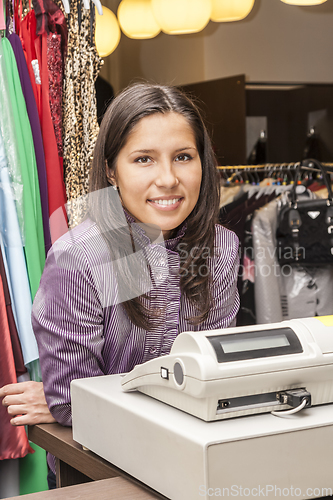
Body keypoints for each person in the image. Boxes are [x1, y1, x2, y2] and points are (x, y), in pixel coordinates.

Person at [1, 81, 239, 449]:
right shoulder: (79, 258)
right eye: (144, 159)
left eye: (183, 156)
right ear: (112, 170)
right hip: (102, 461)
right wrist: (73, 401)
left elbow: (219, 380)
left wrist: (91, 397)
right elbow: (71, 403)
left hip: (198, 453)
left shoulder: (222, 247)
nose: (168, 179)